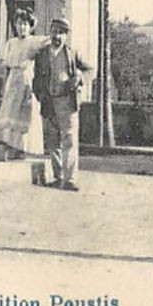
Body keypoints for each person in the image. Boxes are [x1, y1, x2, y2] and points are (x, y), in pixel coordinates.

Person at [32, 16, 93, 191]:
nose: (56, 36)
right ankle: (58, 177)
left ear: (66, 36)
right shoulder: (42, 54)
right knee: (53, 141)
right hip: (49, 102)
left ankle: (70, 179)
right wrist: (41, 95)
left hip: (67, 102)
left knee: (69, 139)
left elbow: (91, 70)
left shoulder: (72, 53)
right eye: (54, 32)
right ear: (50, 32)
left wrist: (79, 78)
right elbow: (36, 79)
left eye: (60, 33)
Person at [0, 11, 47, 160]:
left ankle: (22, 148)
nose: (22, 27)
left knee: (24, 113)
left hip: (26, 79)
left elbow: (49, 41)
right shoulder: (11, 43)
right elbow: (6, 67)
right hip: (12, 79)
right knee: (9, 111)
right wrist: (4, 86)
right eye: (19, 24)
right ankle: (8, 145)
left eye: (25, 24)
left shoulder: (33, 42)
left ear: (31, 27)